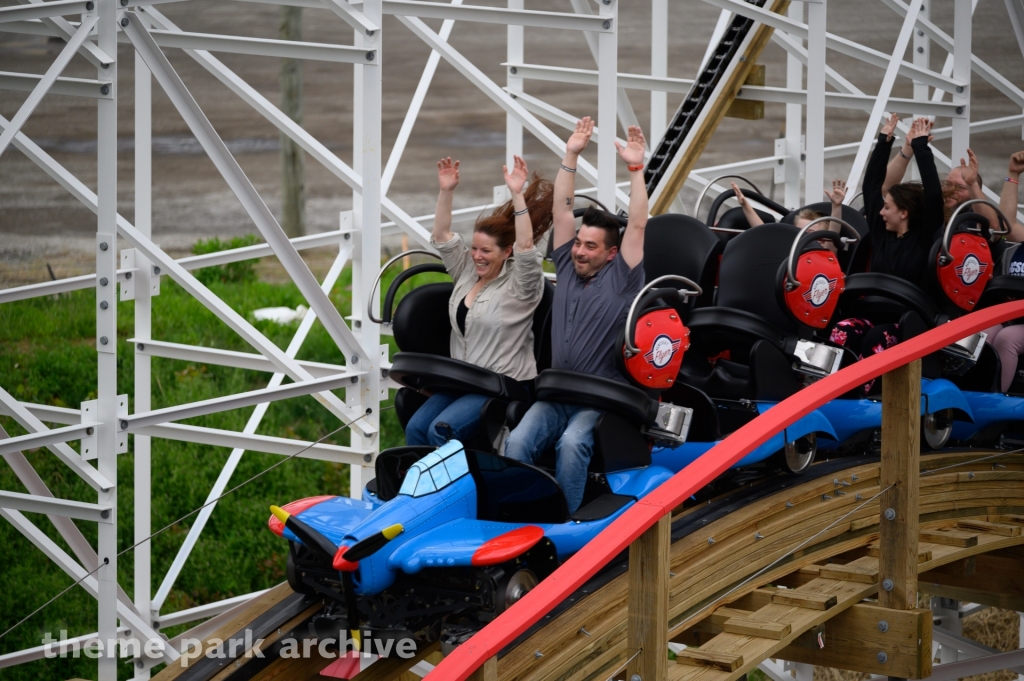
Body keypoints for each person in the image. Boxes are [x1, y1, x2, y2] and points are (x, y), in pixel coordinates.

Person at [504, 117, 648, 514]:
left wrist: (635, 170)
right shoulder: (567, 266)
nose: (579, 251)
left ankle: (565, 517)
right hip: (558, 392)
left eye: (590, 246)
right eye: (579, 243)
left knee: (572, 443)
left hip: (598, 398)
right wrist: (571, 154)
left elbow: (636, 223)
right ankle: (520, 510)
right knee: (517, 442)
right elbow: (561, 209)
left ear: (611, 254)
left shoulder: (624, 278)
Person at [404, 155, 553, 447]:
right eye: (474, 248)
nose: (477, 256)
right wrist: (446, 191)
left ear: (505, 252)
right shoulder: (467, 273)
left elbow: (526, 247)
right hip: (463, 381)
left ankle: (453, 493)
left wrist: (517, 196)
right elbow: (442, 235)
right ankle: (416, 491)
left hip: (501, 385)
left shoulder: (522, 285)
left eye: (486, 251)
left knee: (441, 431)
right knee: (416, 428)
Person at [828, 115, 945, 392]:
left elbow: (933, 195)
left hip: (908, 323)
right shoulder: (881, 235)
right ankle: (832, 391)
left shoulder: (924, 237)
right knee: (842, 330)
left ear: (904, 212)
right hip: (873, 314)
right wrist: (884, 141)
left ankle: (863, 398)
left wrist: (920, 148)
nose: (880, 212)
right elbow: (871, 187)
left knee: (876, 338)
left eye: (887, 207)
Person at [981, 150, 1024, 392]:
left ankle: (996, 403)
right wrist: (1013, 175)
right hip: (1013, 317)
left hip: (1018, 326)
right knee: (983, 333)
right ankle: (968, 394)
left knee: (1007, 340)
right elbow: (1006, 226)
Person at [732, 179, 848, 251]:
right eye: (798, 232)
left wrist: (836, 206)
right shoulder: (788, 250)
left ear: (823, 241)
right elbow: (762, 231)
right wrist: (745, 205)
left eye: (809, 233)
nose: (801, 236)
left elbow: (833, 232)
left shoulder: (826, 252)